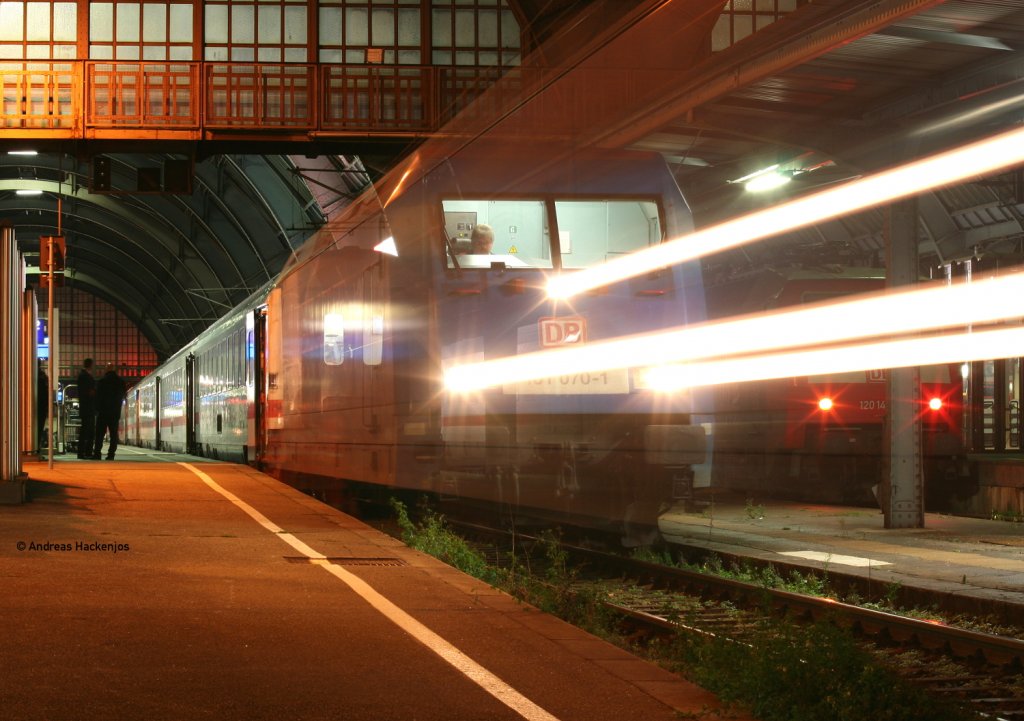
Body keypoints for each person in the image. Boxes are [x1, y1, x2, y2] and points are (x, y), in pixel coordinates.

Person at [93, 364, 126, 460]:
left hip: (103, 412)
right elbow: (122, 395)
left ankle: (97, 453)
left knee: (99, 434)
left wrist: (97, 409)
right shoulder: (120, 382)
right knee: (113, 434)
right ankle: (111, 454)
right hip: (115, 412)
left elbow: (97, 397)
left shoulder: (102, 382)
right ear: (114, 370)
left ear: (106, 370)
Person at [76, 358, 97, 459]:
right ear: (90, 365)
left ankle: (86, 452)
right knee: (86, 431)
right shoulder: (84, 376)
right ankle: (83, 452)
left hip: (87, 407)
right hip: (87, 407)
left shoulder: (83, 375)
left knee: (88, 431)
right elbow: (87, 392)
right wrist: (93, 392)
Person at [37, 361, 49, 455]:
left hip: (28, 408)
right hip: (41, 407)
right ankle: (36, 449)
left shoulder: (23, 375)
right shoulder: (43, 377)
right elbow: (46, 393)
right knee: (39, 429)